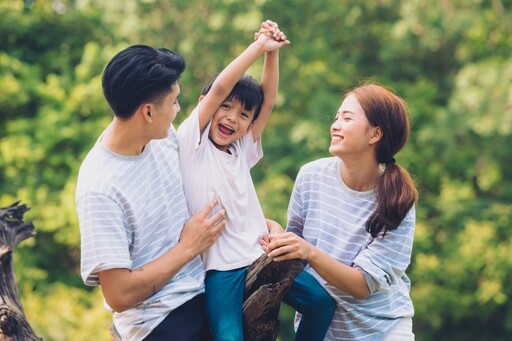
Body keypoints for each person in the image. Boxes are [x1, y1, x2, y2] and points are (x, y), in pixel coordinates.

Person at [177, 21, 335, 341]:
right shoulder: (191, 143)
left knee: (321, 303)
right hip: (221, 269)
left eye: (244, 114)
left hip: (262, 253)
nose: (233, 119)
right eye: (226, 107)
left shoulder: (241, 148)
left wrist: (272, 55)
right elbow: (221, 87)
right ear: (207, 104)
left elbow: (269, 100)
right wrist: (258, 45)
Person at [76, 45, 226, 341]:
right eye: (174, 102)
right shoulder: (100, 187)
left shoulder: (162, 136)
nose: (177, 110)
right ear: (147, 111)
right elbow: (118, 294)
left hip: (204, 288)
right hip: (159, 319)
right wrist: (187, 248)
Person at [262, 83, 418, 340]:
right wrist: (278, 236)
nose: (335, 125)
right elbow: (295, 249)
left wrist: (309, 252)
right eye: (336, 117)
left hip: (383, 330)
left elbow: (362, 285)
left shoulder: (398, 199)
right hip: (322, 330)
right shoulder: (311, 176)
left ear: (375, 134)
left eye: (347, 118)